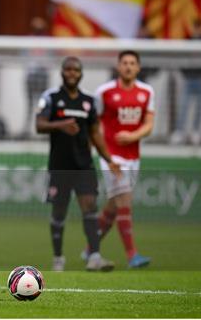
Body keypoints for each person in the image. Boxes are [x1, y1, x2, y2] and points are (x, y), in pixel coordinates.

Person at [37, 57, 119, 272]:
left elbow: (95, 133)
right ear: (62, 72)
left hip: (84, 165)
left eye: (76, 70)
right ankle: (58, 259)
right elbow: (39, 125)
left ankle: (94, 256)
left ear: (81, 74)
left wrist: (109, 159)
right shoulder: (51, 98)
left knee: (90, 207)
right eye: (68, 69)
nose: (72, 73)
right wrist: (62, 124)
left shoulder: (89, 101)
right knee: (59, 212)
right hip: (60, 165)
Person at [92, 50, 155, 268]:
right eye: (124, 63)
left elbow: (149, 124)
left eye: (132, 63)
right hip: (111, 156)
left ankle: (91, 247)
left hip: (133, 156)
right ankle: (132, 255)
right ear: (118, 67)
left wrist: (132, 136)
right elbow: (94, 125)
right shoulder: (105, 92)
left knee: (113, 206)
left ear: (138, 67)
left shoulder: (147, 92)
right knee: (125, 201)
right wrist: (101, 153)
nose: (128, 66)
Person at [170, 19, 201, 145]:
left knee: (199, 107)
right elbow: (182, 59)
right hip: (189, 79)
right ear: (193, 28)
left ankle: (195, 131)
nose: (198, 30)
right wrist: (185, 74)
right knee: (184, 106)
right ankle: (179, 131)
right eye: (196, 27)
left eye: (200, 27)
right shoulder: (187, 41)